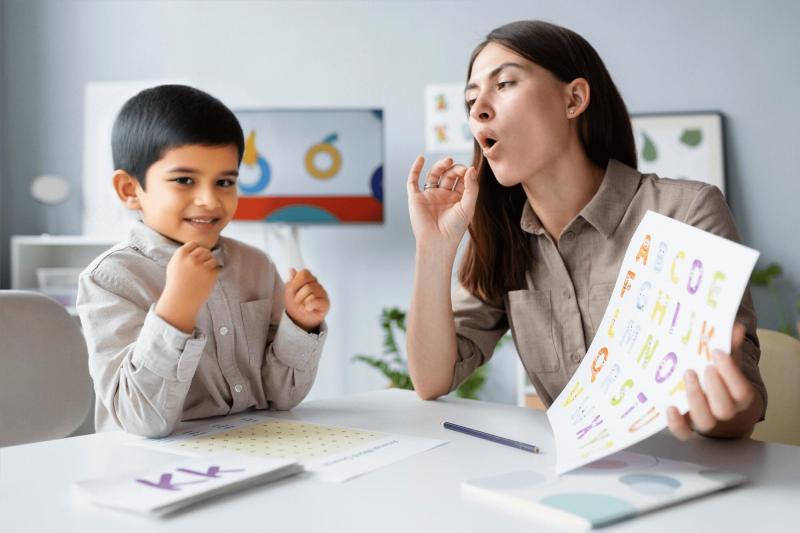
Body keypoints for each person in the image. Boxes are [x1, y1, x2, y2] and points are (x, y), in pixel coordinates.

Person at [405, 20, 765, 440]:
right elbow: (432, 380)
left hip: (685, 468)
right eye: (470, 99)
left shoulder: (686, 212)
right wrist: (433, 249)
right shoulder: (506, 238)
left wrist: (722, 411)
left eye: (504, 84)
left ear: (573, 98)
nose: (478, 109)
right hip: (569, 471)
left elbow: (741, 402)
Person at [77, 85, 330, 438]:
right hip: (148, 462)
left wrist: (300, 324)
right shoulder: (110, 279)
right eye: (184, 180)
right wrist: (177, 308)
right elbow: (140, 420)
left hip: (252, 446)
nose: (210, 200)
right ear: (130, 190)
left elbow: (282, 398)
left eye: (224, 181)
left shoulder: (256, 265)